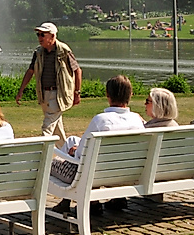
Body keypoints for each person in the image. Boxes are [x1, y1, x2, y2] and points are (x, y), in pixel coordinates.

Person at [51, 75, 143, 214]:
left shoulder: (101, 120)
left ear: (107, 94)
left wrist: (74, 151)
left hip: (95, 174)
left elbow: (81, 155)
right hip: (127, 172)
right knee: (72, 140)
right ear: (130, 94)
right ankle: (117, 198)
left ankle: (81, 202)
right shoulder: (137, 120)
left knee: (53, 162)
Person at [16, 22, 82, 145]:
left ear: (52, 36)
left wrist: (77, 92)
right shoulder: (38, 52)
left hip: (59, 94)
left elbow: (77, 70)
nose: (39, 38)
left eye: (42, 35)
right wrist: (21, 90)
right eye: (38, 35)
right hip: (44, 94)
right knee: (57, 129)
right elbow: (31, 71)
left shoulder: (64, 51)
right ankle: (65, 152)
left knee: (47, 127)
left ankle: (41, 154)